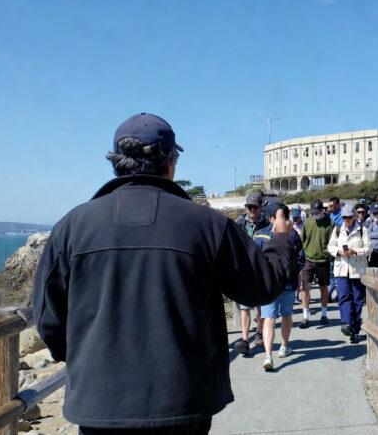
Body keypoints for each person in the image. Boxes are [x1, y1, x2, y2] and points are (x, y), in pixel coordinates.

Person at [32, 113, 295, 434]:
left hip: (99, 400)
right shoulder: (208, 225)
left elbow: (48, 316)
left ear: (116, 163)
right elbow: (262, 287)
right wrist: (281, 237)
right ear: (170, 163)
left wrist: (78, 356)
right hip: (183, 399)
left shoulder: (72, 226)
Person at [256, 201, 305, 371]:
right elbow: (300, 260)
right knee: (286, 315)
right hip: (289, 283)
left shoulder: (260, 236)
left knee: (269, 318)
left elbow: (256, 262)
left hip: (269, 284)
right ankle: (284, 347)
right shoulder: (292, 236)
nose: (286, 219)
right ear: (273, 218)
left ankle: (268, 355)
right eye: (284, 216)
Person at [327, 204, 371, 343]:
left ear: (354, 217)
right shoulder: (338, 229)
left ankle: (355, 330)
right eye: (344, 217)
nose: (346, 219)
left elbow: (369, 248)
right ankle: (346, 323)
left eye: (349, 217)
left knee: (357, 300)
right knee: (344, 297)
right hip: (342, 268)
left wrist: (355, 251)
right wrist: (338, 252)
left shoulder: (362, 230)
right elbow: (330, 246)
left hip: (357, 269)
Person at [234, 191, 270, 354]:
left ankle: (260, 333)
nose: (252, 210)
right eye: (249, 207)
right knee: (244, 307)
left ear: (260, 208)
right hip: (244, 272)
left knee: (260, 306)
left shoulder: (268, 226)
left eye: (255, 207)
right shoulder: (239, 225)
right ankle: (244, 339)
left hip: (261, 272)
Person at [299, 199, 334, 328]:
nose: (315, 214)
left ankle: (324, 315)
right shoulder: (308, 222)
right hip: (308, 260)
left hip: (323, 261)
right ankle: (305, 317)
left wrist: (328, 254)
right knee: (305, 288)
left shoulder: (331, 223)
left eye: (317, 211)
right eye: (312, 212)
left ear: (322, 210)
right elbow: (302, 240)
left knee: (323, 288)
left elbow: (334, 241)